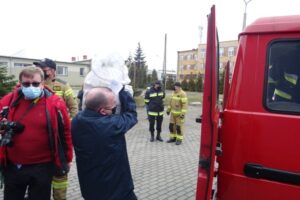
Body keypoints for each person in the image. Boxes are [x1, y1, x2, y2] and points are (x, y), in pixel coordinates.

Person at [0, 66, 73, 200]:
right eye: (26, 84)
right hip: (14, 166)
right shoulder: (8, 101)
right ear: (20, 83)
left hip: (43, 166)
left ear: (43, 83)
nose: (31, 87)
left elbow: (65, 133)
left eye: (35, 83)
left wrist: (67, 158)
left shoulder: (55, 103)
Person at [71, 87, 138, 200]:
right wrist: (124, 93)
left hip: (90, 189)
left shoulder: (77, 120)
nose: (114, 110)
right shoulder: (110, 126)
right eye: (113, 108)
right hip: (116, 190)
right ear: (102, 111)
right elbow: (131, 116)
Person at [33, 58, 78, 200]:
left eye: (43, 68)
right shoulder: (33, 85)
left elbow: (74, 108)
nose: (39, 70)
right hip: (38, 137)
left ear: (52, 71)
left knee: (60, 172)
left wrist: (65, 126)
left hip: (58, 138)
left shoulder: (63, 86)